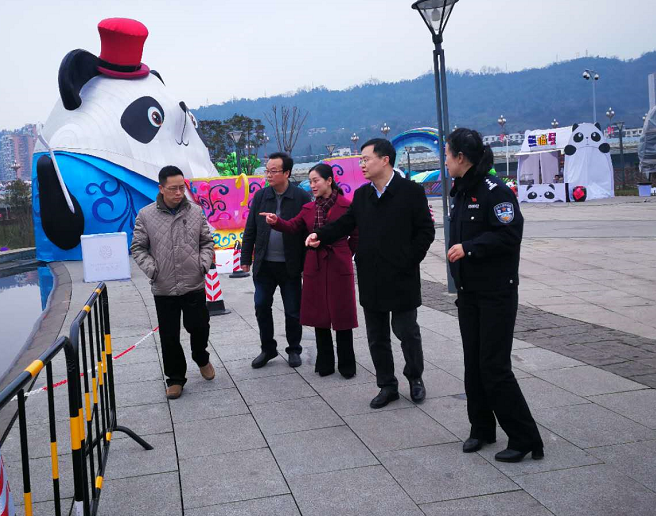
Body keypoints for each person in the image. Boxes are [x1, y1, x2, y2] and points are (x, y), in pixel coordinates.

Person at [306, 139, 435, 409]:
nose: (362, 164)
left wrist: (409, 259)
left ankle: (415, 377)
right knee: (377, 337)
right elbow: (345, 223)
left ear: (385, 160)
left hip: (401, 276)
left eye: (366, 159)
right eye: (361, 160)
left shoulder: (410, 191)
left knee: (407, 332)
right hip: (371, 276)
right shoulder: (363, 195)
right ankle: (387, 385)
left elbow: (426, 230)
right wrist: (320, 235)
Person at [445, 127, 544, 463]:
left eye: (447, 154)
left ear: (461, 157)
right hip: (469, 293)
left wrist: (470, 248)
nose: (445, 161)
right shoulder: (460, 191)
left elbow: (509, 234)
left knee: (494, 366)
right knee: (473, 363)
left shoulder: (495, 191)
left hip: (496, 293)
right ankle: (481, 428)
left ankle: (525, 438)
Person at [260, 163, 359, 378]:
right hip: (315, 264)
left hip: (339, 263)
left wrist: (345, 252)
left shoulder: (346, 206)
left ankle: (347, 365)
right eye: (310, 181)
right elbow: (292, 227)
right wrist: (276, 222)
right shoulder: (308, 209)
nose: (312, 185)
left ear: (329, 181)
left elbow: (357, 234)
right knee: (319, 315)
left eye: (316, 181)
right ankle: (325, 364)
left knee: (342, 314)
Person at [131, 165, 216, 400]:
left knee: (199, 327)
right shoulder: (146, 215)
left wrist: (202, 264)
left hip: (193, 283)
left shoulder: (195, 212)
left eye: (181, 188)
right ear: (161, 188)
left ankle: (201, 357)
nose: (179, 193)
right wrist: (153, 270)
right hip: (164, 286)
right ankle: (175, 378)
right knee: (169, 336)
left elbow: (207, 242)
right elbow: (138, 248)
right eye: (173, 188)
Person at [241, 152, 312, 369]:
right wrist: (246, 257)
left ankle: (294, 349)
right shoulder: (261, 196)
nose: (268, 175)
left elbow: (307, 231)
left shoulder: (301, 197)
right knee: (261, 305)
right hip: (264, 264)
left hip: (290, 265)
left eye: (274, 171)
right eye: (267, 170)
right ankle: (268, 349)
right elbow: (250, 228)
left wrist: (307, 263)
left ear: (287, 173)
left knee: (292, 310)